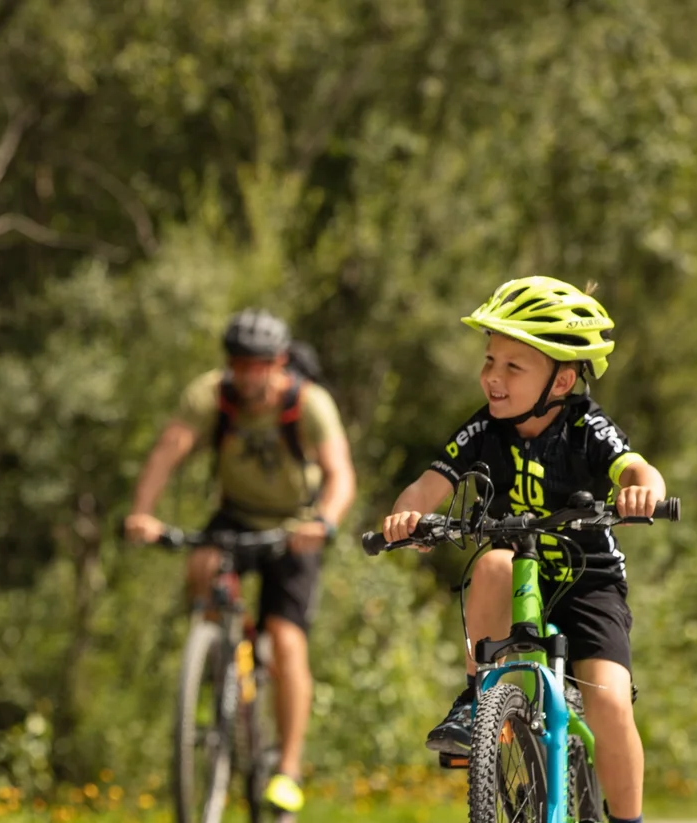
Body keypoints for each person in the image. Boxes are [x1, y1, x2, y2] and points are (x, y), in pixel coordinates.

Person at [379, 277, 665, 823]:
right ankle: (477, 699)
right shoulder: (484, 428)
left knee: (607, 703)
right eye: (490, 361)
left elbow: (635, 466)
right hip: (519, 575)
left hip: (588, 581)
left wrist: (641, 489)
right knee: (489, 564)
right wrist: (407, 516)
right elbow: (428, 484)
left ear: (560, 379)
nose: (492, 377)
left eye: (513, 367)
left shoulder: (584, 426)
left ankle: (628, 819)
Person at [124, 309, 357, 818]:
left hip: (295, 529)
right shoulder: (211, 395)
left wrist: (324, 521)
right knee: (202, 566)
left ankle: (288, 769)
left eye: (259, 365)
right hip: (235, 516)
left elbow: (341, 474)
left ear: (279, 363)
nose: (248, 375)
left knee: (289, 640)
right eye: (239, 364)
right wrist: (142, 512)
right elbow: (170, 450)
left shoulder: (308, 404)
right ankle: (222, 657)